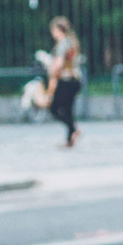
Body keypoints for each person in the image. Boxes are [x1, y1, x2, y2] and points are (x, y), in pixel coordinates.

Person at [45, 16, 84, 148]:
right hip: (76, 80)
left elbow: (60, 63)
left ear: (57, 30)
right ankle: (70, 139)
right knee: (68, 109)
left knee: (54, 108)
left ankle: (73, 129)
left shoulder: (63, 44)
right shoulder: (72, 42)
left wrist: (52, 70)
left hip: (66, 80)